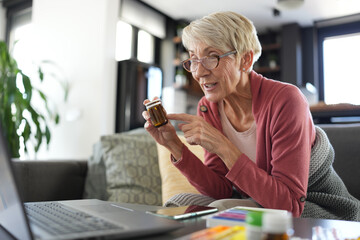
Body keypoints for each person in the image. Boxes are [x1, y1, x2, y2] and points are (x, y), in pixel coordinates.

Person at [142, 11, 360, 220]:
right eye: (193, 59)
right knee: (186, 207)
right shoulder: (209, 107)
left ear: (245, 60)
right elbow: (222, 191)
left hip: (320, 207)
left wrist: (224, 146)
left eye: (211, 57)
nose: (198, 72)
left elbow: (289, 205)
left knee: (216, 212)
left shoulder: (286, 100)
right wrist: (175, 147)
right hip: (259, 202)